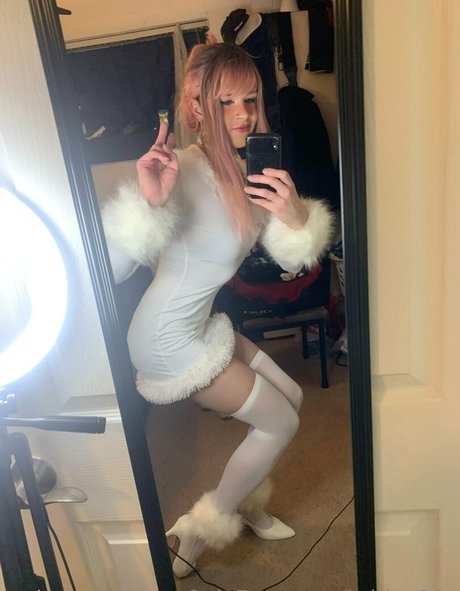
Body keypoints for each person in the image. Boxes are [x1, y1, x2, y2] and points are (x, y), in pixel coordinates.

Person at [101, 42, 333, 578]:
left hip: (199, 322)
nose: (243, 114)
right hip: (166, 340)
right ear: (197, 107)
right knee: (280, 424)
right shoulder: (179, 169)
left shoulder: (248, 172)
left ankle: (246, 499)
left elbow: (291, 261)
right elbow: (110, 269)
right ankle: (201, 528)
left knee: (292, 397)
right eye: (226, 102)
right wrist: (148, 203)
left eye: (250, 99)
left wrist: (295, 216)